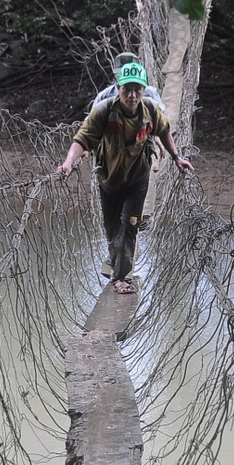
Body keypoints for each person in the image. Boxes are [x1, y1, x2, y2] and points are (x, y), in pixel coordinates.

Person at [58, 60, 194, 294]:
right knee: (112, 229)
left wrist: (176, 157)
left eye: (137, 89)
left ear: (144, 90)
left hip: (137, 179)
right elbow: (82, 139)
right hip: (108, 178)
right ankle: (115, 259)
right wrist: (68, 163)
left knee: (130, 225)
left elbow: (164, 131)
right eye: (127, 89)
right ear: (117, 86)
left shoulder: (150, 108)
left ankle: (122, 278)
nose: (132, 95)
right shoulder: (103, 109)